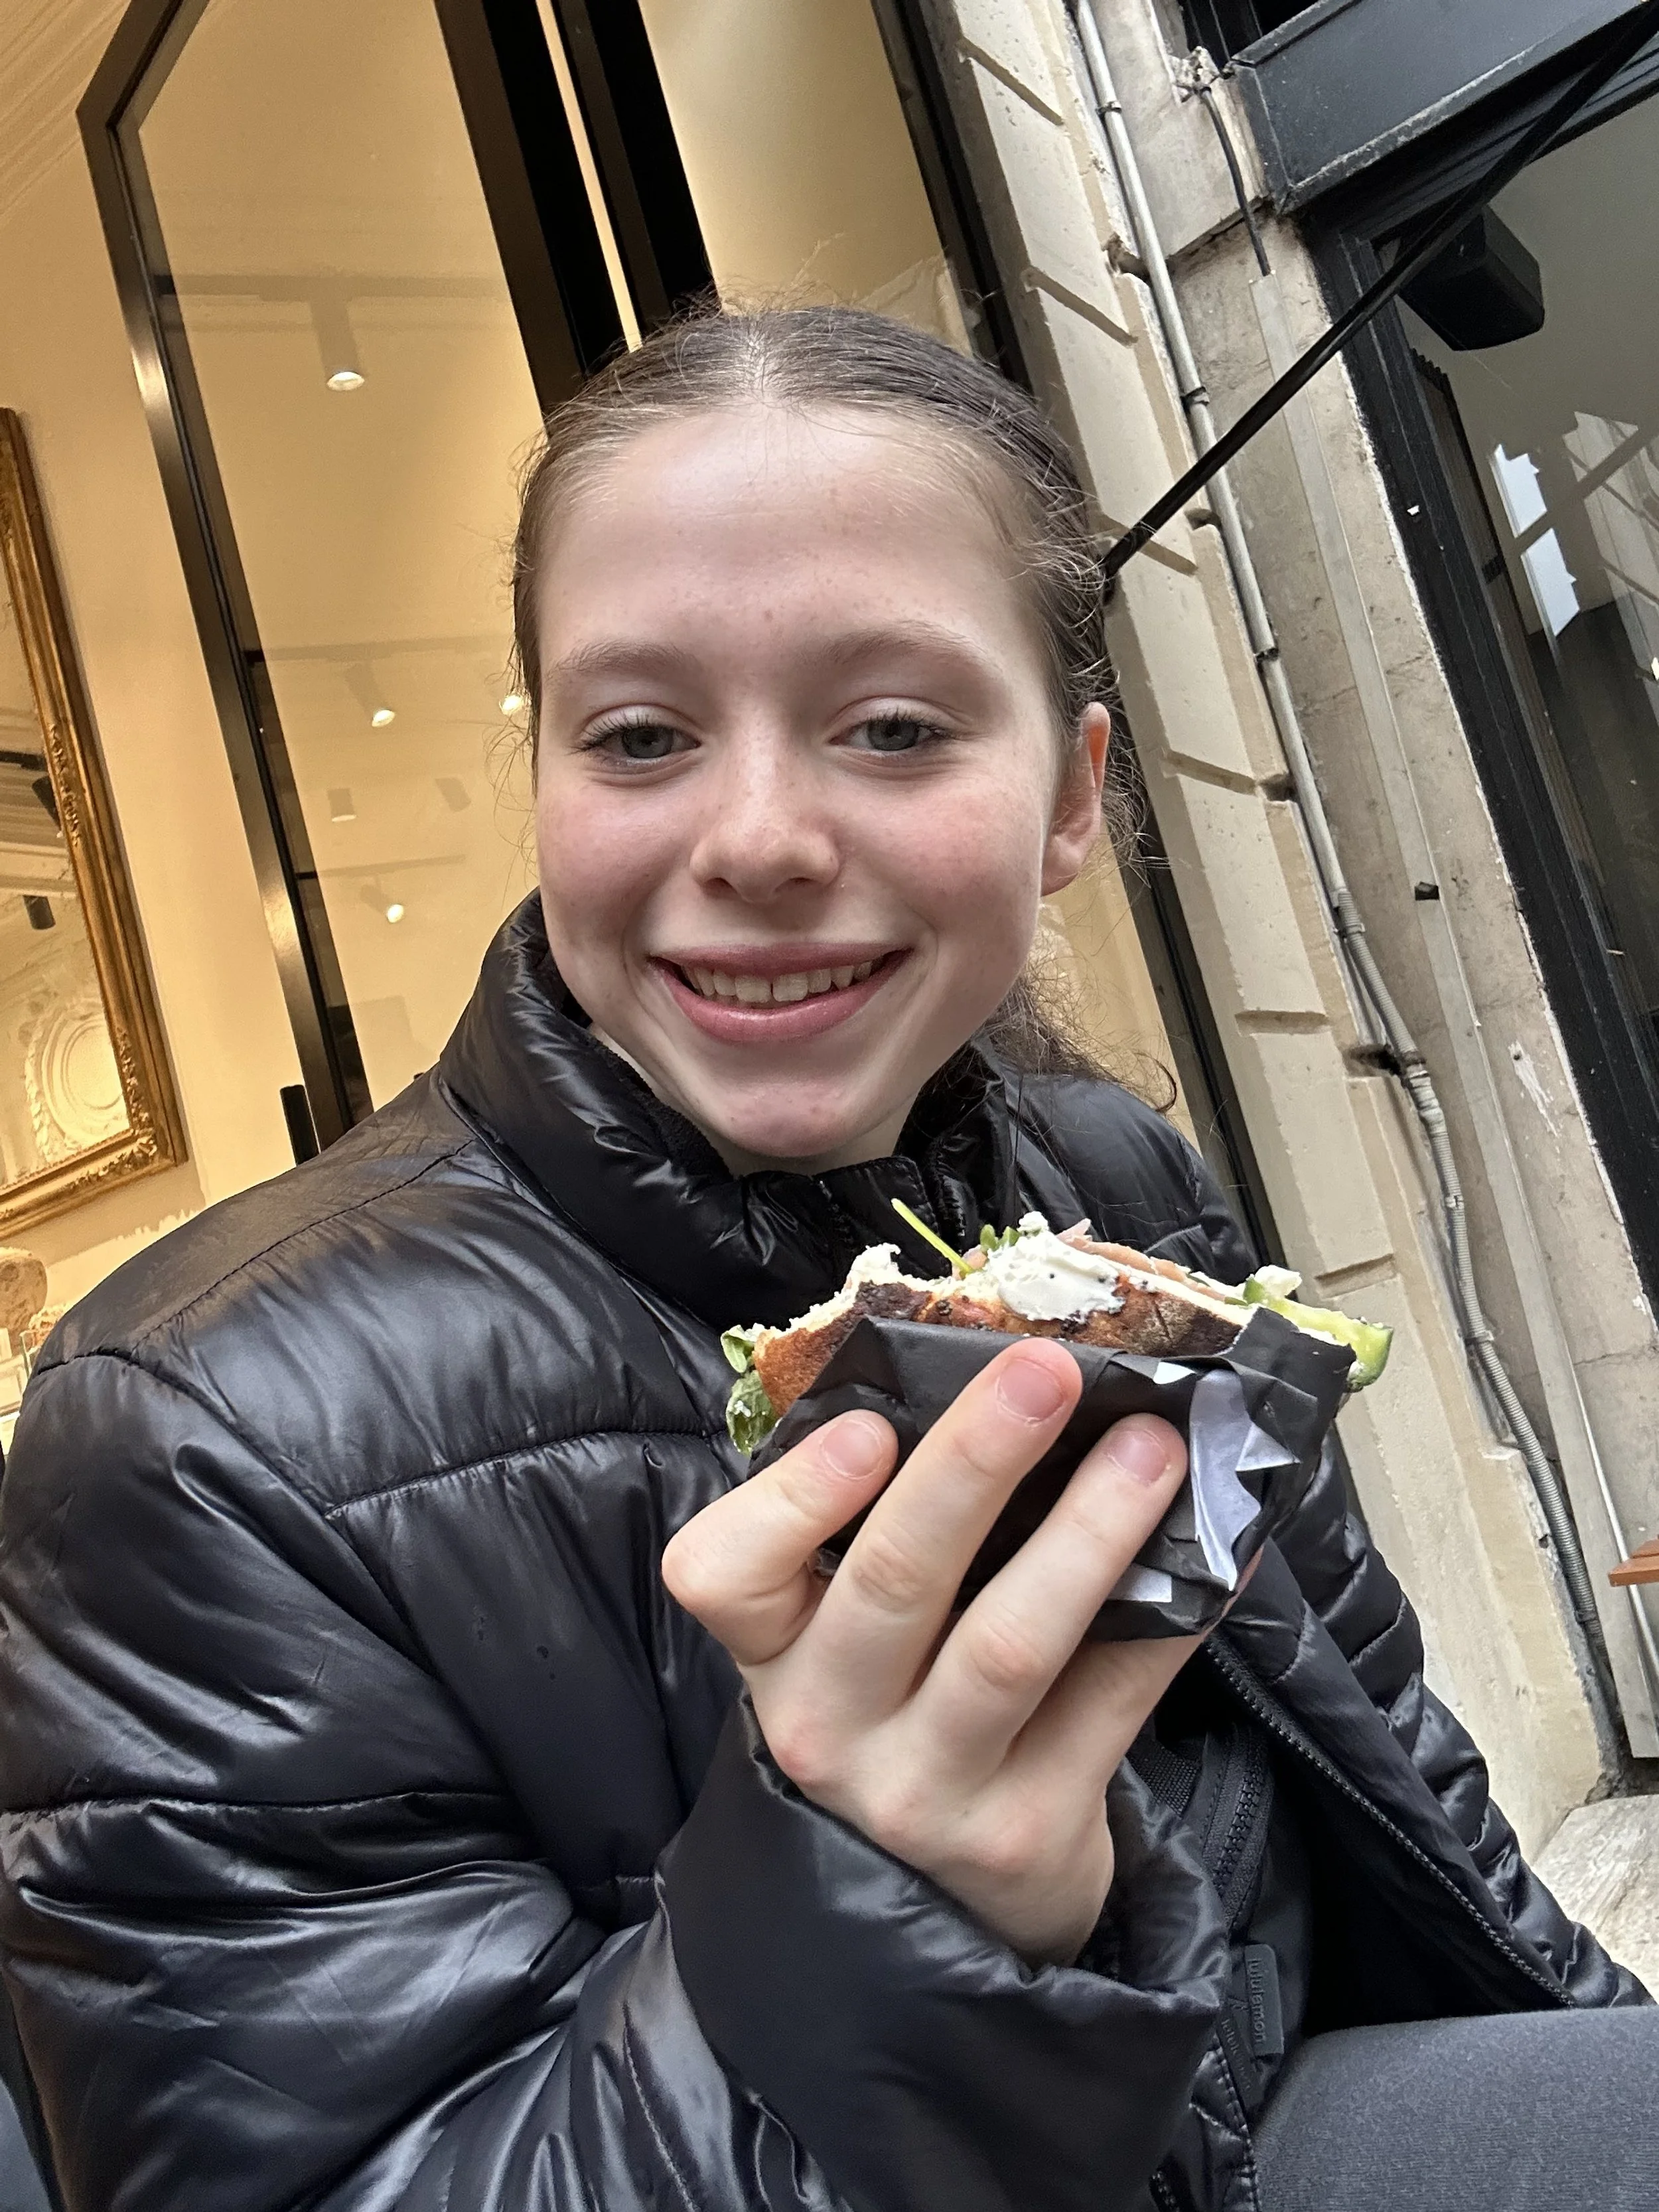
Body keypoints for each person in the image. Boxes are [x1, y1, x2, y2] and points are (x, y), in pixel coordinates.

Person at [0, 306, 1650, 2212]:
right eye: (640, 736)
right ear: (543, 780)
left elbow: (1392, 1755)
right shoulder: (199, 1431)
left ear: (1069, 797)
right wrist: (897, 1915)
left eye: (894, 728)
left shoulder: (1112, 1184)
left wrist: (1599, 2056)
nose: (763, 839)